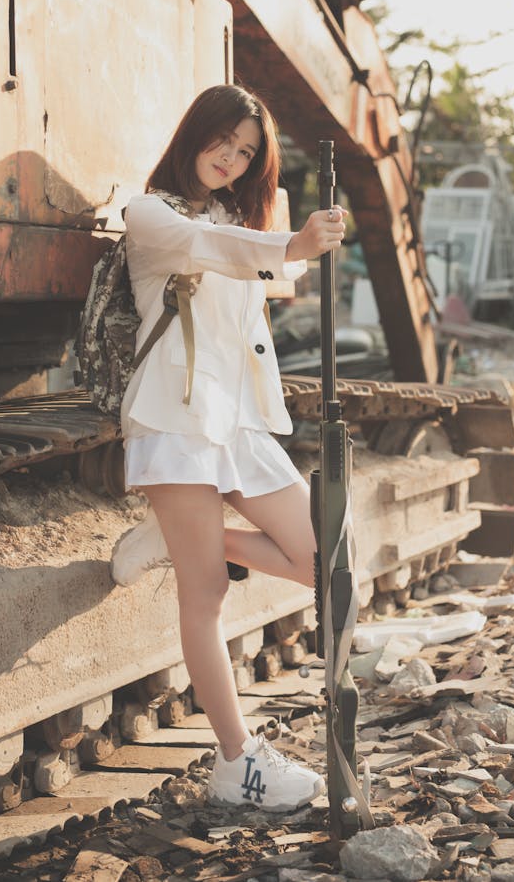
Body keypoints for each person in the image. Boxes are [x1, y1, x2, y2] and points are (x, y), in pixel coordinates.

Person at [110, 83, 347, 810]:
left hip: (239, 421)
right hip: (175, 417)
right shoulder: (149, 212)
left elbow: (280, 269)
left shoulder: (237, 218)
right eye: (224, 142)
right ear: (195, 134)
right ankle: (238, 761)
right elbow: (218, 249)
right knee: (206, 594)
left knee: (328, 563)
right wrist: (289, 241)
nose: (232, 159)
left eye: (247, 154)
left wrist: (288, 232)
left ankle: (184, 536)